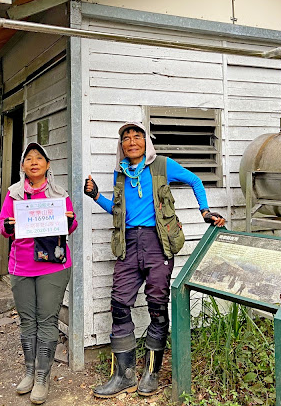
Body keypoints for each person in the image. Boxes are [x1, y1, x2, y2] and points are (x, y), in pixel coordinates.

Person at [85, 121, 225, 398]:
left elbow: (195, 180)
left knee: (157, 306)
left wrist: (205, 211)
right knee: (119, 304)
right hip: (129, 244)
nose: (131, 141)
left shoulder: (162, 165)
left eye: (137, 136)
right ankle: (123, 375)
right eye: (126, 138)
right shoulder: (121, 173)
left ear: (146, 142)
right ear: (121, 146)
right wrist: (95, 196)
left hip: (157, 243)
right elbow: (117, 211)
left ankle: (151, 372)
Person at [0, 142, 77, 405]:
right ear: (23, 166)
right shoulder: (14, 194)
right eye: (28, 159)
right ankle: (29, 372)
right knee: (27, 320)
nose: (33, 162)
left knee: (47, 319)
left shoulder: (58, 193)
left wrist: (67, 220)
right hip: (21, 265)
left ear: (47, 165)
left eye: (39, 158)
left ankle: (43, 377)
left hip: (53, 266)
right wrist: (8, 224)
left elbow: (72, 223)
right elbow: (2, 225)